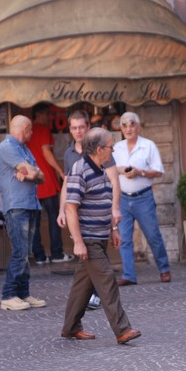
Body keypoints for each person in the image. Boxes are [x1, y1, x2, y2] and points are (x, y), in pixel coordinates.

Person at [61, 127, 140, 344]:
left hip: (99, 236)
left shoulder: (101, 169)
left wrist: (113, 230)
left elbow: (104, 204)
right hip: (88, 239)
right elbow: (70, 208)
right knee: (107, 281)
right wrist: (78, 241)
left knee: (83, 285)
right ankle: (122, 329)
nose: (112, 150)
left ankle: (70, 327)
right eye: (110, 146)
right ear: (98, 149)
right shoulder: (80, 170)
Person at [58, 110, 121, 310]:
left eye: (81, 127)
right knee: (101, 275)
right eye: (74, 128)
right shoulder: (70, 155)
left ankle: (71, 325)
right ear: (70, 130)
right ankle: (122, 328)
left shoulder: (101, 150)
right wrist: (62, 210)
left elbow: (112, 183)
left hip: (100, 224)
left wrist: (114, 213)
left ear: (87, 128)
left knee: (85, 277)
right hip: (87, 228)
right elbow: (67, 185)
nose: (78, 131)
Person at [0, 115, 47, 311]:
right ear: (24, 129)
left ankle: (23, 293)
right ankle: (8, 295)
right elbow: (34, 173)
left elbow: (38, 176)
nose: (32, 133)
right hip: (17, 207)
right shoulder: (7, 147)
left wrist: (29, 173)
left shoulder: (23, 149)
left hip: (30, 205)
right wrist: (32, 173)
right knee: (20, 252)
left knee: (27, 252)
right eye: (30, 129)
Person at [112, 112, 171, 285]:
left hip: (143, 197)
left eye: (131, 124)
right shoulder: (117, 147)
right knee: (124, 238)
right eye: (124, 125)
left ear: (138, 127)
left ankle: (164, 269)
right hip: (122, 198)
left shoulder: (148, 145)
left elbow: (159, 171)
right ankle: (129, 275)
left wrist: (140, 172)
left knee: (153, 235)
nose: (128, 128)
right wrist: (120, 169)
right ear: (121, 129)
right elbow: (109, 170)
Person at [27, 103, 73, 264]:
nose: (49, 118)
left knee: (35, 221)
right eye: (47, 114)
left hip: (32, 182)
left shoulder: (28, 131)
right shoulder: (43, 130)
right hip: (46, 181)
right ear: (39, 115)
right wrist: (60, 171)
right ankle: (56, 253)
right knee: (55, 217)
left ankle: (39, 255)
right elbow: (46, 153)